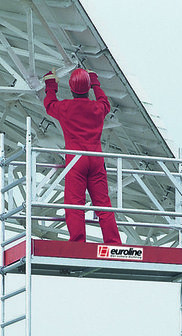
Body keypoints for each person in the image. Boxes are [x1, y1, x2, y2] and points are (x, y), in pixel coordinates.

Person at [42, 67, 122, 244]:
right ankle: (113, 242)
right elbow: (105, 102)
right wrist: (94, 80)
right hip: (96, 159)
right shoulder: (98, 108)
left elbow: (49, 104)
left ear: (71, 88)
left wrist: (50, 84)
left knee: (74, 203)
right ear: (87, 89)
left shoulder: (65, 108)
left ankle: (78, 242)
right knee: (103, 204)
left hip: (76, 160)